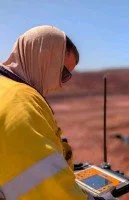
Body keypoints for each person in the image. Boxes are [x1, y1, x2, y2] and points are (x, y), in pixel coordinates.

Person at [0, 25, 117, 200]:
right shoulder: (21, 100)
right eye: (63, 74)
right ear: (44, 59)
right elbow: (45, 185)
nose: (61, 84)